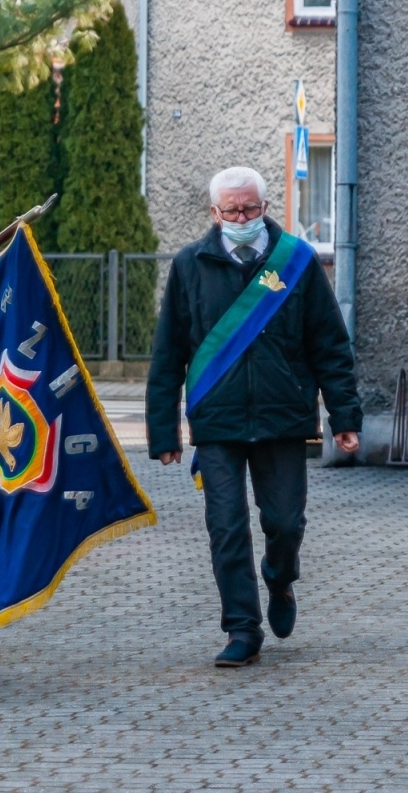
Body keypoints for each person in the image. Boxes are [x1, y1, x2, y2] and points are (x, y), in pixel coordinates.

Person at [147, 166, 362, 668]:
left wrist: (343, 415)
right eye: (231, 211)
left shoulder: (297, 263)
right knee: (225, 526)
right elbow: (167, 354)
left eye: (250, 209)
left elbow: (330, 346)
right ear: (214, 213)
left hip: (282, 417)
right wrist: (164, 430)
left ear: (265, 208)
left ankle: (280, 578)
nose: (241, 218)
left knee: (284, 523)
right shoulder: (189, 265)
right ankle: (242, 628)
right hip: (217, 420)